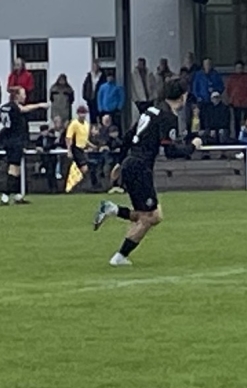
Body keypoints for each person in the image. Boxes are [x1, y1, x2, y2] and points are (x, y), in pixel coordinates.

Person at [92, 80, 197, 265]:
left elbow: (128, 137)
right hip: (140, 168)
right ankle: (119, 256)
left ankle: (111, 210)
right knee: (150, 217)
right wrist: (192, 147)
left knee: (151, 215)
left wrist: (119, 162)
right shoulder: (167, 117)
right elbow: (170, 151)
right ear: (182, 96)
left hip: (132, 164)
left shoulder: (150, 111)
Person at [0, 85, 48, 205]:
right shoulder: (15, 107)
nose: (25, 97)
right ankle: (5, 196)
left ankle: (18, 195)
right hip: (15, 141)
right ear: (16, 96)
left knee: (17, 170)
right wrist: (40, 105)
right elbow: (24, 109)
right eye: (23, 94)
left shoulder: (4, 107)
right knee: (13, 169)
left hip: (7, 140)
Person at [64, 103, 92, 192]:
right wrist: (69, 150)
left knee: (83, 169)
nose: (82, 115)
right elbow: (69, 138)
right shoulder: (74, 124)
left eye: (84, 113)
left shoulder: (87, 124)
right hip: (76, 148)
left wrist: (92, 146)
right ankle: (79, 187)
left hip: (83, 149)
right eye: (81, 113)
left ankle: (78, 187)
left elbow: (84, 138)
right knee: (84, 169)